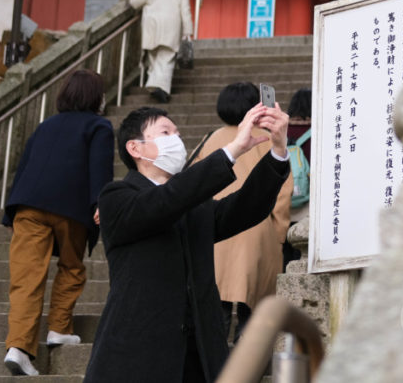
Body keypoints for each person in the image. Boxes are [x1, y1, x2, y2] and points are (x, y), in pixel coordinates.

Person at [84, 103, 290, 383]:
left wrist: (278, 152)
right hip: (138, 355)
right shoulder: (116, 197)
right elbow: (164, 202)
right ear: (136, 148)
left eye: (178, 133)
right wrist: (233, 150)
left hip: (198, 357)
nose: (176, 139)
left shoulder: (193, 206)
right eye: (165, 132)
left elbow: (245, 208)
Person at [2, 69, 115, 377]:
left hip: (28, 205)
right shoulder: (99, 126)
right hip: (71, 209)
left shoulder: (45, 126)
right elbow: (100, 168)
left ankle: (18, 347)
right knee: (71, 267)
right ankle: (59, 328)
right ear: (96, 97)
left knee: (26, 277)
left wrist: (9, 213)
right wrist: (99, 204)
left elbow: (24, 166)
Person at [191, 83, 293, 343]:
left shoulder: (211, 138)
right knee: (253, 307)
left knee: (218, 303)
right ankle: (247, 364)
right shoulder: (268, 138)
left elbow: (192, 184)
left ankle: (216, 364)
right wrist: (279, 234)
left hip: (217, 231)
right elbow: (282, 192)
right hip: (257, 228)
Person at [129, 0, 193, 103]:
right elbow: (185, 13)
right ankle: (161, 88)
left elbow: (134, 3)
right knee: (166, 60)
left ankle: (154, 86)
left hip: (151, 30)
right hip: (171, 30)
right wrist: (188, 32)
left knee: (153, 59)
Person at [283, 87, 312, 268]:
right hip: (306, 203)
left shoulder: (280, 130)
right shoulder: (317, 132)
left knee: (284, 249)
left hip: (282, 202)